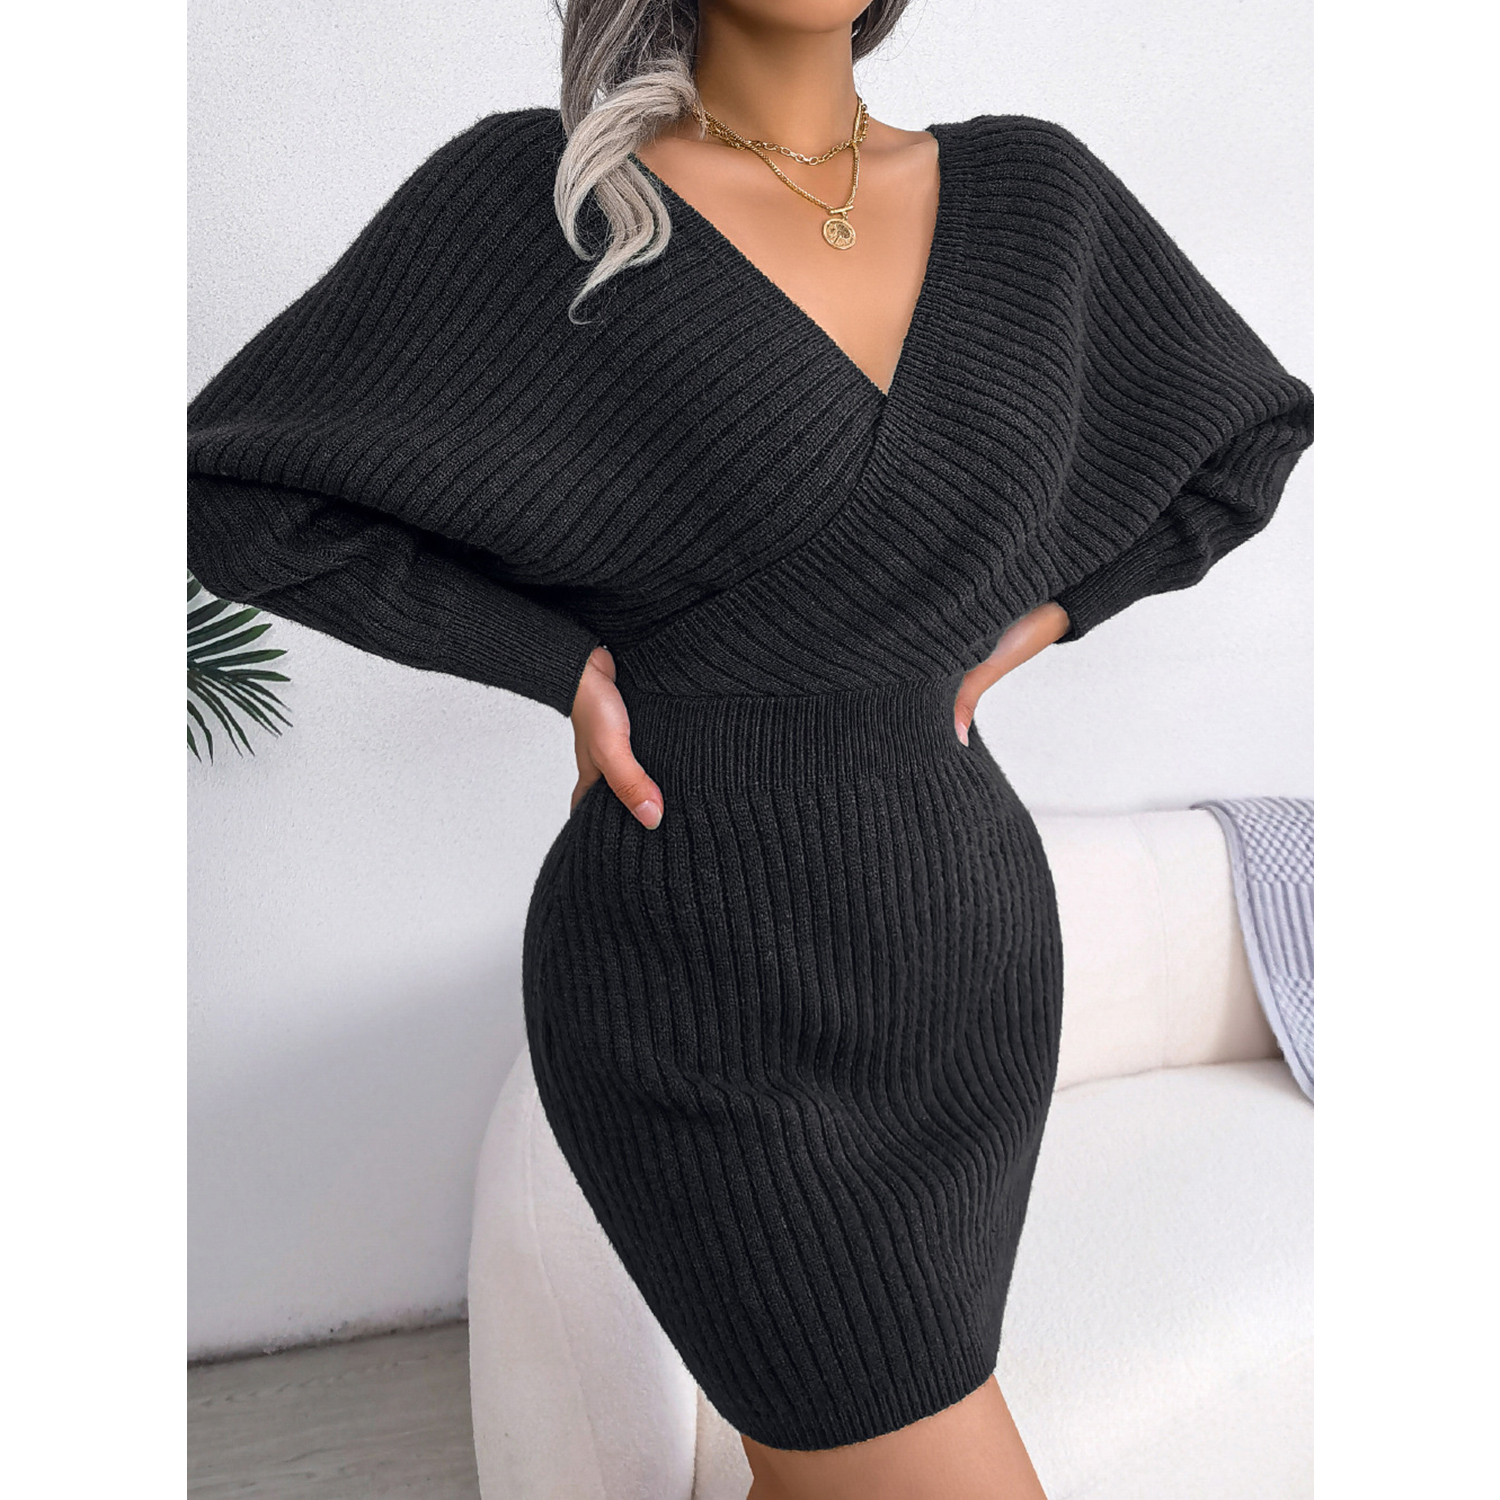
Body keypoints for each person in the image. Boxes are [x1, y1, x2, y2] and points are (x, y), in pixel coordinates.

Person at [186, 2, 1313, 1495]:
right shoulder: (556, 205)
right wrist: (552, 663)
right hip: (697, 995)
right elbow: (228, 490)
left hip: (965, 977)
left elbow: (1247, 433)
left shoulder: (1034, 200)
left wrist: (1053, 611)